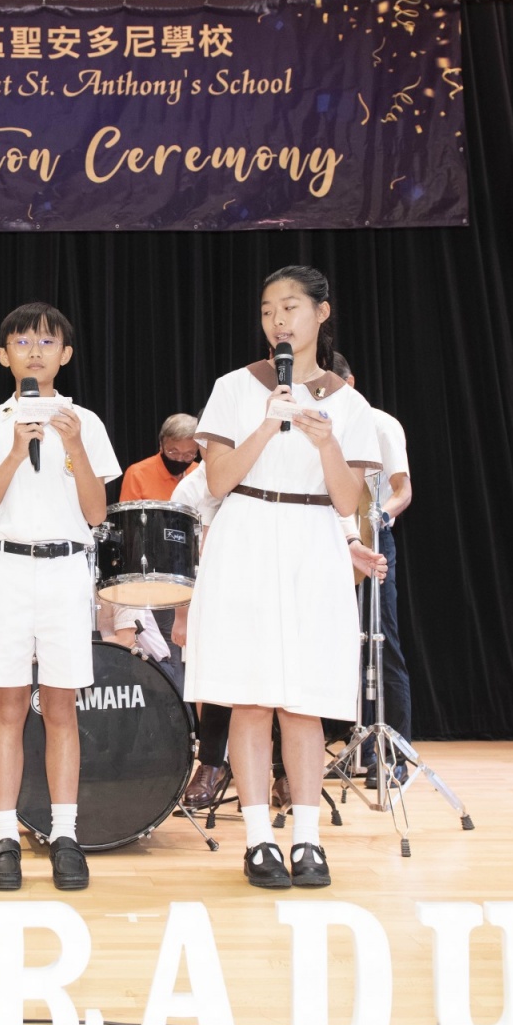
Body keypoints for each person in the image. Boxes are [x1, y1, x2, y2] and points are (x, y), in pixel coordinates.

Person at [184, 266, 380, 890]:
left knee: (305, 700)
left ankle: (307, 839)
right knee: (250, 695)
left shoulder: (350, 404)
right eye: (268, 310)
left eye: (290, 307)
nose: (278, 321)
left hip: (312, 541)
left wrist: (326, 443)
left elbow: (348, 500)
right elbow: (217, 481)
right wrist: (269, 422)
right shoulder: (234, 387)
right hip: (245, 532)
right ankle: (258, 839)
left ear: (322, 313)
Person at [0, 303, 120, 891]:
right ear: (4, 356)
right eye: (22, 342)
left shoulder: (85, 422)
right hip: (5, 569)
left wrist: (74, 447)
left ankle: (65, 836)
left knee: (62, 707)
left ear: (65, 355)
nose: (34, 351)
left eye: (47, 342)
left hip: (65, 571)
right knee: (9, 707)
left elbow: (96, 514)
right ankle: (4, 837)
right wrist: (14, 451)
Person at [330, 354, 413, 788]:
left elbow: (403, 490)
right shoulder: (325, 427)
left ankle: (392, 754)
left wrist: (377, 516)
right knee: (341, 645)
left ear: (350, 383)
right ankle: (354, 748)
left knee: (382, 643)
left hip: (373, 537)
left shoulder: (381, 424)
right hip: (331, 538)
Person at [118, 414, 200, 502]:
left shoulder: (200, 472)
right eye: (174, 452)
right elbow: (129, 511)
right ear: (161, 445)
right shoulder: (137, 474)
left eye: (188, 455)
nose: (179, 459)